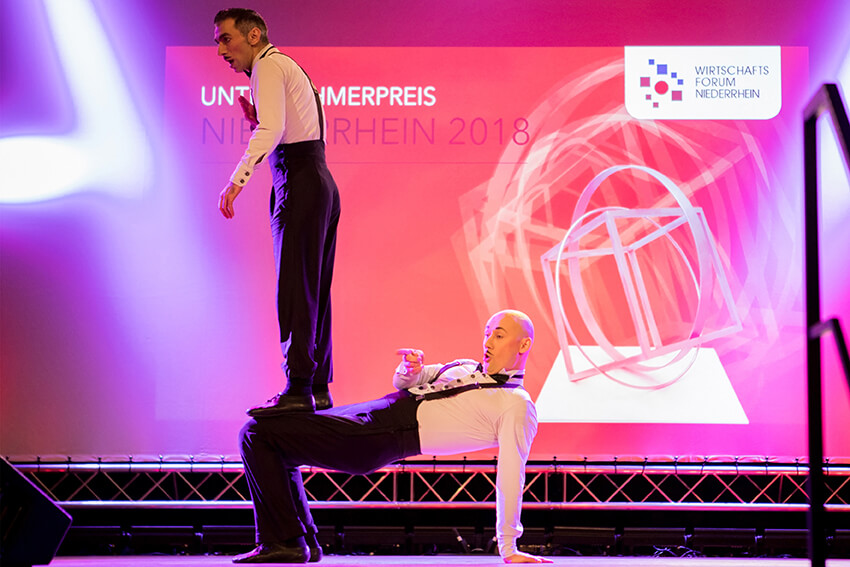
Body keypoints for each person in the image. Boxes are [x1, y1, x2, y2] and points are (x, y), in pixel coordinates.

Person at [234, 309, 552, 564]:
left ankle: (285, 542)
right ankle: (300, 540)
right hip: (374, 411)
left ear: (524, 345)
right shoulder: (465, 366)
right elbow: (408, 382)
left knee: (257, 433)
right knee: (273, 438)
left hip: (378, 436)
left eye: (499, 335)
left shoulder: (517, 404)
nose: (488, 342)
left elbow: (511, 474)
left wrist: (509, 545)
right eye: (487, 333)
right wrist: (410, 368)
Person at [214, 8, 341, 416]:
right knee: (313, 289)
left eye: (226, 39)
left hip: (299, 180)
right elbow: (283, 127)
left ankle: (298, 390)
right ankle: (316, 387)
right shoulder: (285, 65)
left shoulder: (267, 65)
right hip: (318, 179)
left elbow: (273, 131)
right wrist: (259, 122)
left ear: (253, 36)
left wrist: (237, 180)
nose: (221, 50)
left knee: (295, 290)